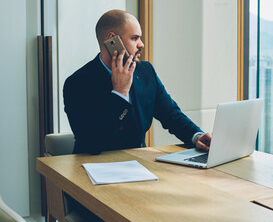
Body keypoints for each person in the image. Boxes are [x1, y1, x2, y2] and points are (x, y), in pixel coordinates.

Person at [63, 9, 212, 154]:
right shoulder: (77, 84)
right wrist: (119, 93)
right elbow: (92, 142)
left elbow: (172, 115)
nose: (141, 44)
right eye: (134, 38)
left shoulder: (146, 72)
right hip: (92, 169)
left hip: (138, 166)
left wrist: (196, 136)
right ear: (112, 40)